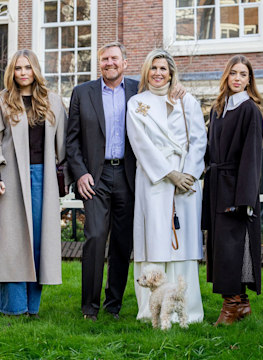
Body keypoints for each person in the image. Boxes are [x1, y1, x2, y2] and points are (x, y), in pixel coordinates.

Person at [66, 42, 185, 321]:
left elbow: (165, 91)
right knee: (95, 237)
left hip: (131, 175)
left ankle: (113, 305)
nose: (110, 63)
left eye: (115, 58)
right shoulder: (82, 94)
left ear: (125, 62)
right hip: (95, 176)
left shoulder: (138, 90)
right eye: (105, 58)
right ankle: (89, 308)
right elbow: (71, 141)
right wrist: (80, 172)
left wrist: (178, 89)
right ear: (100, 63)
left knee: (122, 242)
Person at [0, 49, 67, 317]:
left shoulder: (53, 101)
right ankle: (14, 307)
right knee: (12, 241)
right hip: (10, 176)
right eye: (18, 68)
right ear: (12, 72)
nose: (23, 73)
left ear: (36, 70)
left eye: (28, 68)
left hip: (44, 177)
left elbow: (64, 144)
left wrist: (63, 179)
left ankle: (33, 307)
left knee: (39, 241)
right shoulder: (2, 102)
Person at [126, 49, 206, 325]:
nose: (158, 73)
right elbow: (141, 144)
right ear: (146, 71)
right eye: (153, 68)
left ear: (172, 73)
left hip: (185, 182)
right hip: (154, 179)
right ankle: (152, 311)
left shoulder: (187, 101)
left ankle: (190, 310)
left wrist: (189, 175)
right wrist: (169, 173)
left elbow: (199, 140)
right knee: (155, 239)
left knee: (182, 243)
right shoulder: (136, 104)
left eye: (164, 69)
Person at [202, 54, 263, 326]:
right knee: (220, 248)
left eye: (243, 74)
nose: (238, 78)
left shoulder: (250, 110)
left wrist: (245, 199)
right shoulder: (219, 108)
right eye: (234, 73)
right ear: (226, 76)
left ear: (249, 80)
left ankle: (231, 306)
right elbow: (207, 148)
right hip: (216, 185)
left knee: (234, 249)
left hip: (236, 189)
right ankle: (242, 304)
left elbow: (252, 156)